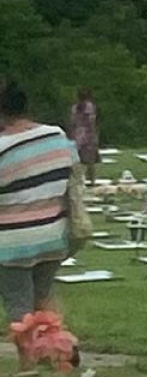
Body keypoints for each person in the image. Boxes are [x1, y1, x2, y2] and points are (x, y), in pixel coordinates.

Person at [0, 79, 78, 322]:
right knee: (45, 299)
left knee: (19, 304)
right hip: (53, 234)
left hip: (13, 241)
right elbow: (71, 172)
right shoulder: (56, 135)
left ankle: (28, 360)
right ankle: (57, 352)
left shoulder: (3, 147)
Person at [66, 86, 101, 184]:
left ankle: (79, 180)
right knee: (90, 160)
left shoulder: (74, 107)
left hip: (77, 135)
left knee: (78, 160)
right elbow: (91, 122)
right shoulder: (89, 106)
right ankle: (92, 180)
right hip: (88, 135)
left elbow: (72, 122)